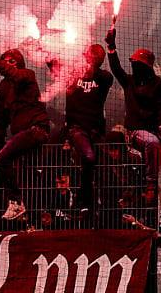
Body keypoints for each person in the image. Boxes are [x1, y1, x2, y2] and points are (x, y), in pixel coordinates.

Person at [0, 48, 51, 221]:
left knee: (3, 161)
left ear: (19, 63)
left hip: (36, 130)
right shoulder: (3, 87)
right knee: (27, 177)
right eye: (4, 60)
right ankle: (31, 218)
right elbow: (0, 118)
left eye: (11, 61)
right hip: (20, 136)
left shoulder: (27, 75)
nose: (7, 64)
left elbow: (16, 75)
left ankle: (15, 203)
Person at [105, 28, 161, 202]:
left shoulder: (158, 84)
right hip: (134, 132)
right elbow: (116, 69)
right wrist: (111, 47)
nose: (135, 67)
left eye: (139, 64)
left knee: (157, 146)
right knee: (152, 142)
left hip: (153, 130)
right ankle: (151, 183)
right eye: (134, 64)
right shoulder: (129, 81)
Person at [63, 44, 113, 218]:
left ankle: (95, 206)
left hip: (95, 131)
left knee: (100, 168)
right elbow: (53, 64)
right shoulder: (72, 74)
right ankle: (83, 201)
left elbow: (102, 74)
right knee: (89, 157)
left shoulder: (104, 78)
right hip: (77, 128)